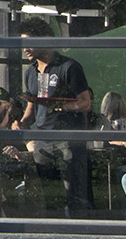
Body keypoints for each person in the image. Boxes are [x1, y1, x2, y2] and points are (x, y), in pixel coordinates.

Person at [20, 17, 94, 213]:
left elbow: (85, 102)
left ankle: (80, 234)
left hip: (68, 139)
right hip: (43, 141)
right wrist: (19, 124)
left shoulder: (69, 67)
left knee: (76, 194)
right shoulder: (30, 72)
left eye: (28, 43)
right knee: (50, 197)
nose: (25, 49)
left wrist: (64, 107)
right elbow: (31, 107)